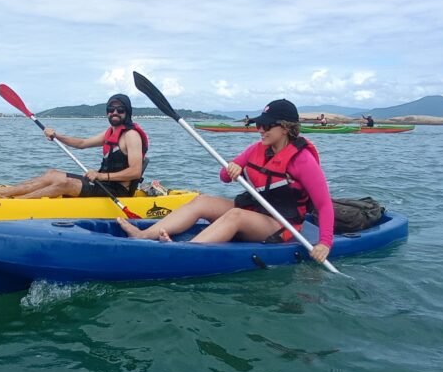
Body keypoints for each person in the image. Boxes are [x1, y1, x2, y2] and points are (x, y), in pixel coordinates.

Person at [117, 99, 335, 263]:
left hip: (281, 223)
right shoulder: (257, 149)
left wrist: (325, 243)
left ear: (285, 127)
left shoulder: (302, 160)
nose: (261, 130)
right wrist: (233, 168)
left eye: (267, 126)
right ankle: (144, 235)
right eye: (260, 124)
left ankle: (184, 252)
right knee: (202, 201)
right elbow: (223, 176)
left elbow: (324, 204)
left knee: (235, 215)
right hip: (256, 210)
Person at [0, 94, 147, 199]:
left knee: (65, 184)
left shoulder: (131, 136)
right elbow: (81, 144)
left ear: (127, 112)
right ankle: (3, 192)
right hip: (103, 183)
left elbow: (135, 172)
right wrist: (57, 135)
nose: (115, 112)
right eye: (111, 109)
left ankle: (12, 203)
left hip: (118, 191)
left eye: (120, 109)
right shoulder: (111, 132)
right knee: (52, 174)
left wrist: (101, 177)